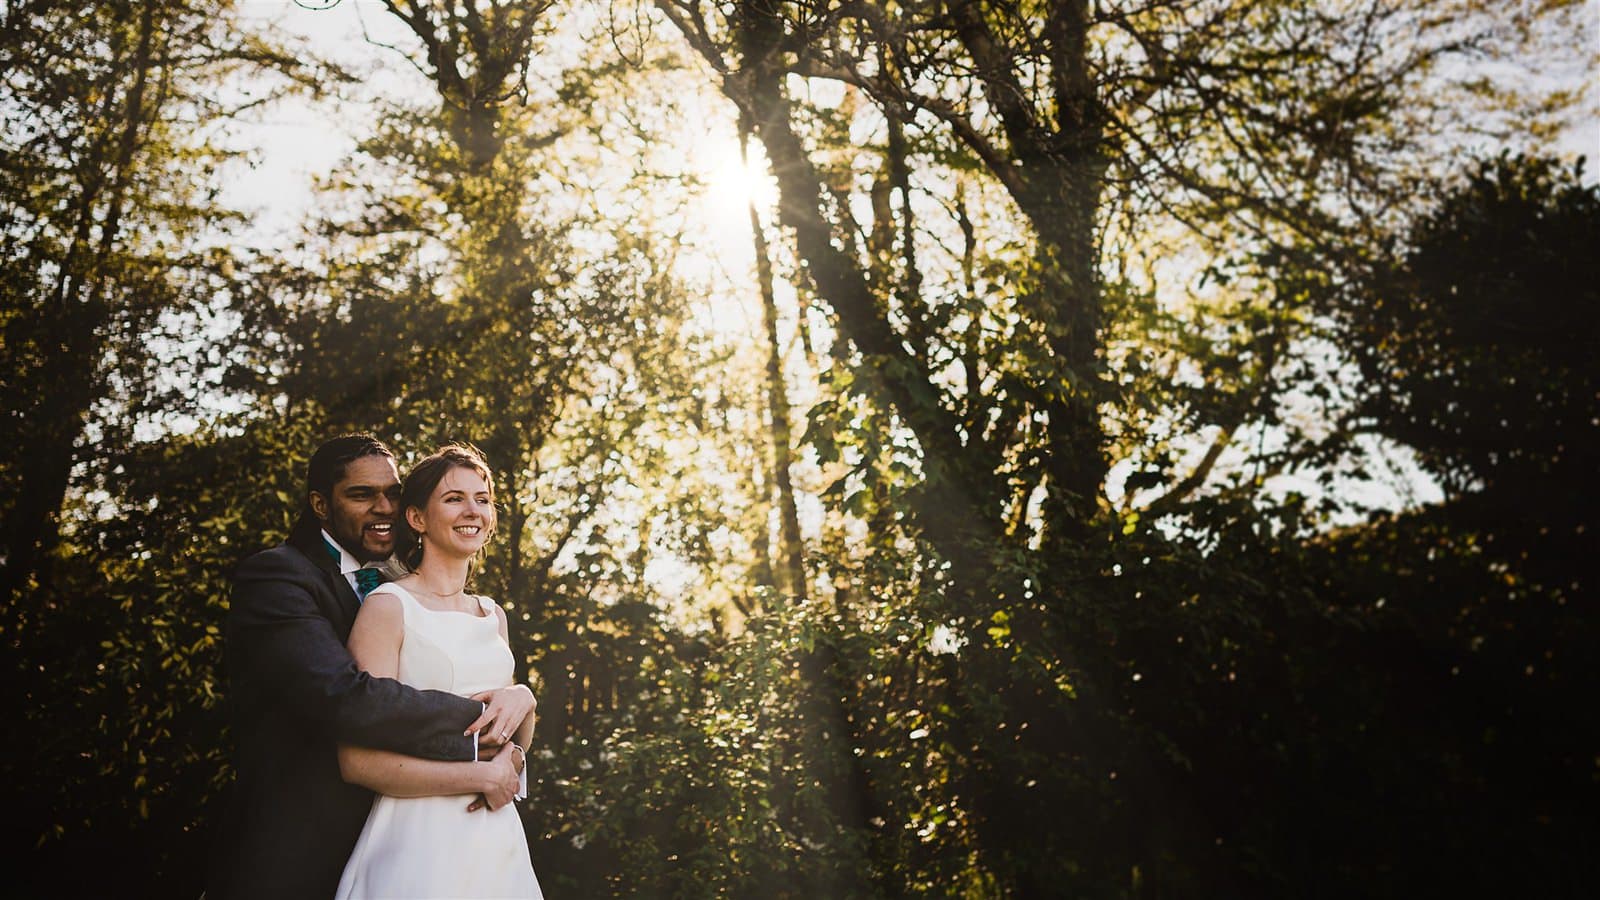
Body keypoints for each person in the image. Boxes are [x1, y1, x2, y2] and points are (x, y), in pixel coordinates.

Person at [207, 434, 535, 900]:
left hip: (458, 833)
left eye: (393, 494)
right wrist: (485, 721)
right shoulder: (280, 577)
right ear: (321, 505)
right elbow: (345, 696)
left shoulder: (401, 581)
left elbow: (512, 736)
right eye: (362, 495)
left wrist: (522, 700)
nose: (384, 508)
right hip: (303, 844)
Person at [335, 443, 543, 898]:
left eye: (482, 499)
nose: (473, 511)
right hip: (418, 842)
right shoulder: (388, 607)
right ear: (416, 518)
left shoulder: (492, 615)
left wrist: (523, 700)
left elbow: (508, 739)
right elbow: (357, 762)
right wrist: (479, 778)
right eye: (454, 498)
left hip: (496, 841)